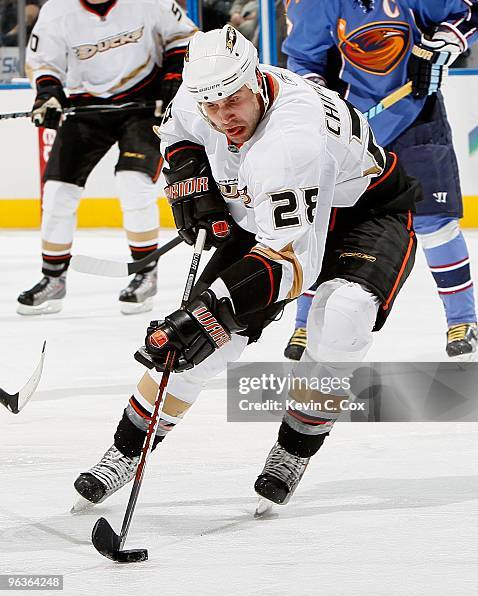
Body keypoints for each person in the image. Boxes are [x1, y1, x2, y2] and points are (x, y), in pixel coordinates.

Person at [72, 26, 417, 512]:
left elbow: (293, 264)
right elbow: (178, 135)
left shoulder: (291, 142)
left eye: (232, 101)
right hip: (267, 215)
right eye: (210, 106)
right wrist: (191, 185)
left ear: (256, 80)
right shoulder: (202, 99)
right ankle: (124, 453)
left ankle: (294, 447)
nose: (222, 117)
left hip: (361, 213)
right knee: (200, 347)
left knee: (344, 317)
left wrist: (208, 308)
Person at [282, 0, 478, 360]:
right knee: (325, 225)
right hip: (349, 131)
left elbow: (469, 11)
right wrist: (326, 108)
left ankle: (463, 319)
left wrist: (442, 47)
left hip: (416, 117)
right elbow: (303, 62)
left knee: (434, 222)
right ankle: (306, 324)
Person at [17, 0, 197, 316]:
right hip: (87, 106)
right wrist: (49, 95)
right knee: (57, 190)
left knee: (133, 181)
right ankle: (53, 277)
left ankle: (145, 271)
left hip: (145, 105)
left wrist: (173, 79)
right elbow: (44, 64)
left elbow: (183, 37)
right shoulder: (57, 11)